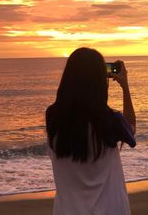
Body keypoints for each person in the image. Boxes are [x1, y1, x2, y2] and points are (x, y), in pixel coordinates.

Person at [46, 47, 136, 215]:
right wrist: (125, 86)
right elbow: (131, 128)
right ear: (101, 81)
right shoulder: (110, 120)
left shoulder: (53, 117)